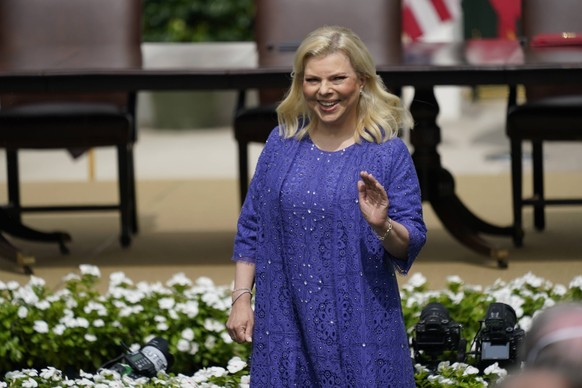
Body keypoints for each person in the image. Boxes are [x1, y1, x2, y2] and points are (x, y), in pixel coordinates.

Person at [226, 25, 427, 387]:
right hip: (283, 322)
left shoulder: (388, 153)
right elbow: (252, 225)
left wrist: (382, 225)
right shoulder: (281, 144)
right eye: (313, 80)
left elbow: (410, 239)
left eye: (337, 78)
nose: (325, 91)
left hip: (361, 326)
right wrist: (241, 297)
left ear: (363, 81)